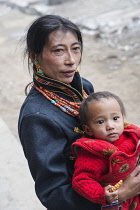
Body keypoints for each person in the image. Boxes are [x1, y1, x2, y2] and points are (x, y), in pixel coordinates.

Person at [18, 14, 140, 210]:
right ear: (35, 56)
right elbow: (53, 193)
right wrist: (120, 194)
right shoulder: (37, 118)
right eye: (58, 51)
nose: (71, 60)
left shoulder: (83, 87)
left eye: (76, 49)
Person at [72, 91, 140, 210]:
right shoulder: (91, 153)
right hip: (116, 201)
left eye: (115, 118)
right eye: (100, 122)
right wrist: (102, 195)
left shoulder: (131, 135)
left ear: (122, 119)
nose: (110, 126)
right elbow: (81, 180)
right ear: (88, 130)